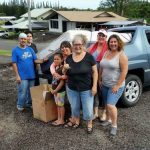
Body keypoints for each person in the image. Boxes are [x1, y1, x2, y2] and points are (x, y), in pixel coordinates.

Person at [63, 34, 98, 134]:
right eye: (75, 44)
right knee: (74, 107)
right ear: (72, 45)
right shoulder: (69, 58)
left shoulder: (89, 57)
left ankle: (89, 124)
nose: (77, 46)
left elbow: (95, 72)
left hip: (86, 88)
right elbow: (64, 73)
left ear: (83, 45)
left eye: (80, 44)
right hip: (72, 88)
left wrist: (94, 86)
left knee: (87, 108)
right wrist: (64, 69)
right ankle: (77, 122)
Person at [99, 34, 128, 135]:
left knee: (111, 105)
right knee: (106, 104)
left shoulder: (121, 55)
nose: (113, 43)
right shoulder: (106, 52)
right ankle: (108, 120)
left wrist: (117, 85)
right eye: (111, 42)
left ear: (118, 43)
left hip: (116, 85)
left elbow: (124, 72)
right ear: (109, 43)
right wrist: (99, 80)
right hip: (105, 84)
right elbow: (101, 67)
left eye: (115, 42)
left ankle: (114, 125)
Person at [12, 33, 47, 111]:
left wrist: (43, 60)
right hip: (22, 76)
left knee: (30, 91)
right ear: (19, 39)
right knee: (23, 92)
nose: (23, 40)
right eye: (21, 39)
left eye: (24, 39)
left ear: (26, 40)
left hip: (31, 75)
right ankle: (20, 105)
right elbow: (14, 63)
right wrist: (17, 75)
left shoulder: (30, 49)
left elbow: (35, 60)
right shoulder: (15, 50)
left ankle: (29, 104)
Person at [88, 29, 108, 121]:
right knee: (94, 92)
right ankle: (95, 113)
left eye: (103, 35)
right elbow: (86, 55)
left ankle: (104, 112)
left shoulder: (108, 48)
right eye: (99, 35)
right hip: (92, 73)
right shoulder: (92, 46)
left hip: (103, 73)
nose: (101, 37)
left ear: (105, 37)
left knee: (104, 93)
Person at [51, 53, 66, 126]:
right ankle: (59, 118)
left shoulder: (62, 69)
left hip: (60, 91)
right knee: (57, 105)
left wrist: (56, 90)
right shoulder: (56, 68)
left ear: (62, 59)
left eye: (57, 59)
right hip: (55, 91)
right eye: (54, 59)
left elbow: (62, 82)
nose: (56, 60)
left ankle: (62, 119)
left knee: (61, 105)